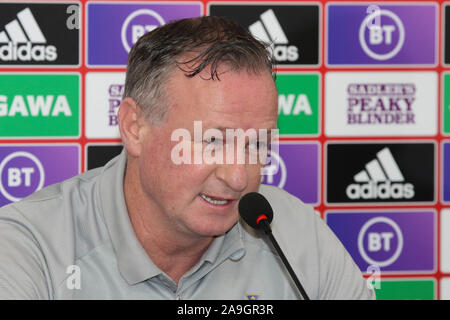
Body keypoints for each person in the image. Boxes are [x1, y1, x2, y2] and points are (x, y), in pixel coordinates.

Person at [0, 16, 375, 300]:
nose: (238, 177)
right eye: (212, 140)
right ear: (134, 127)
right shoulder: (29, 247)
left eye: (257, 144)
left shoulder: (294, 235)